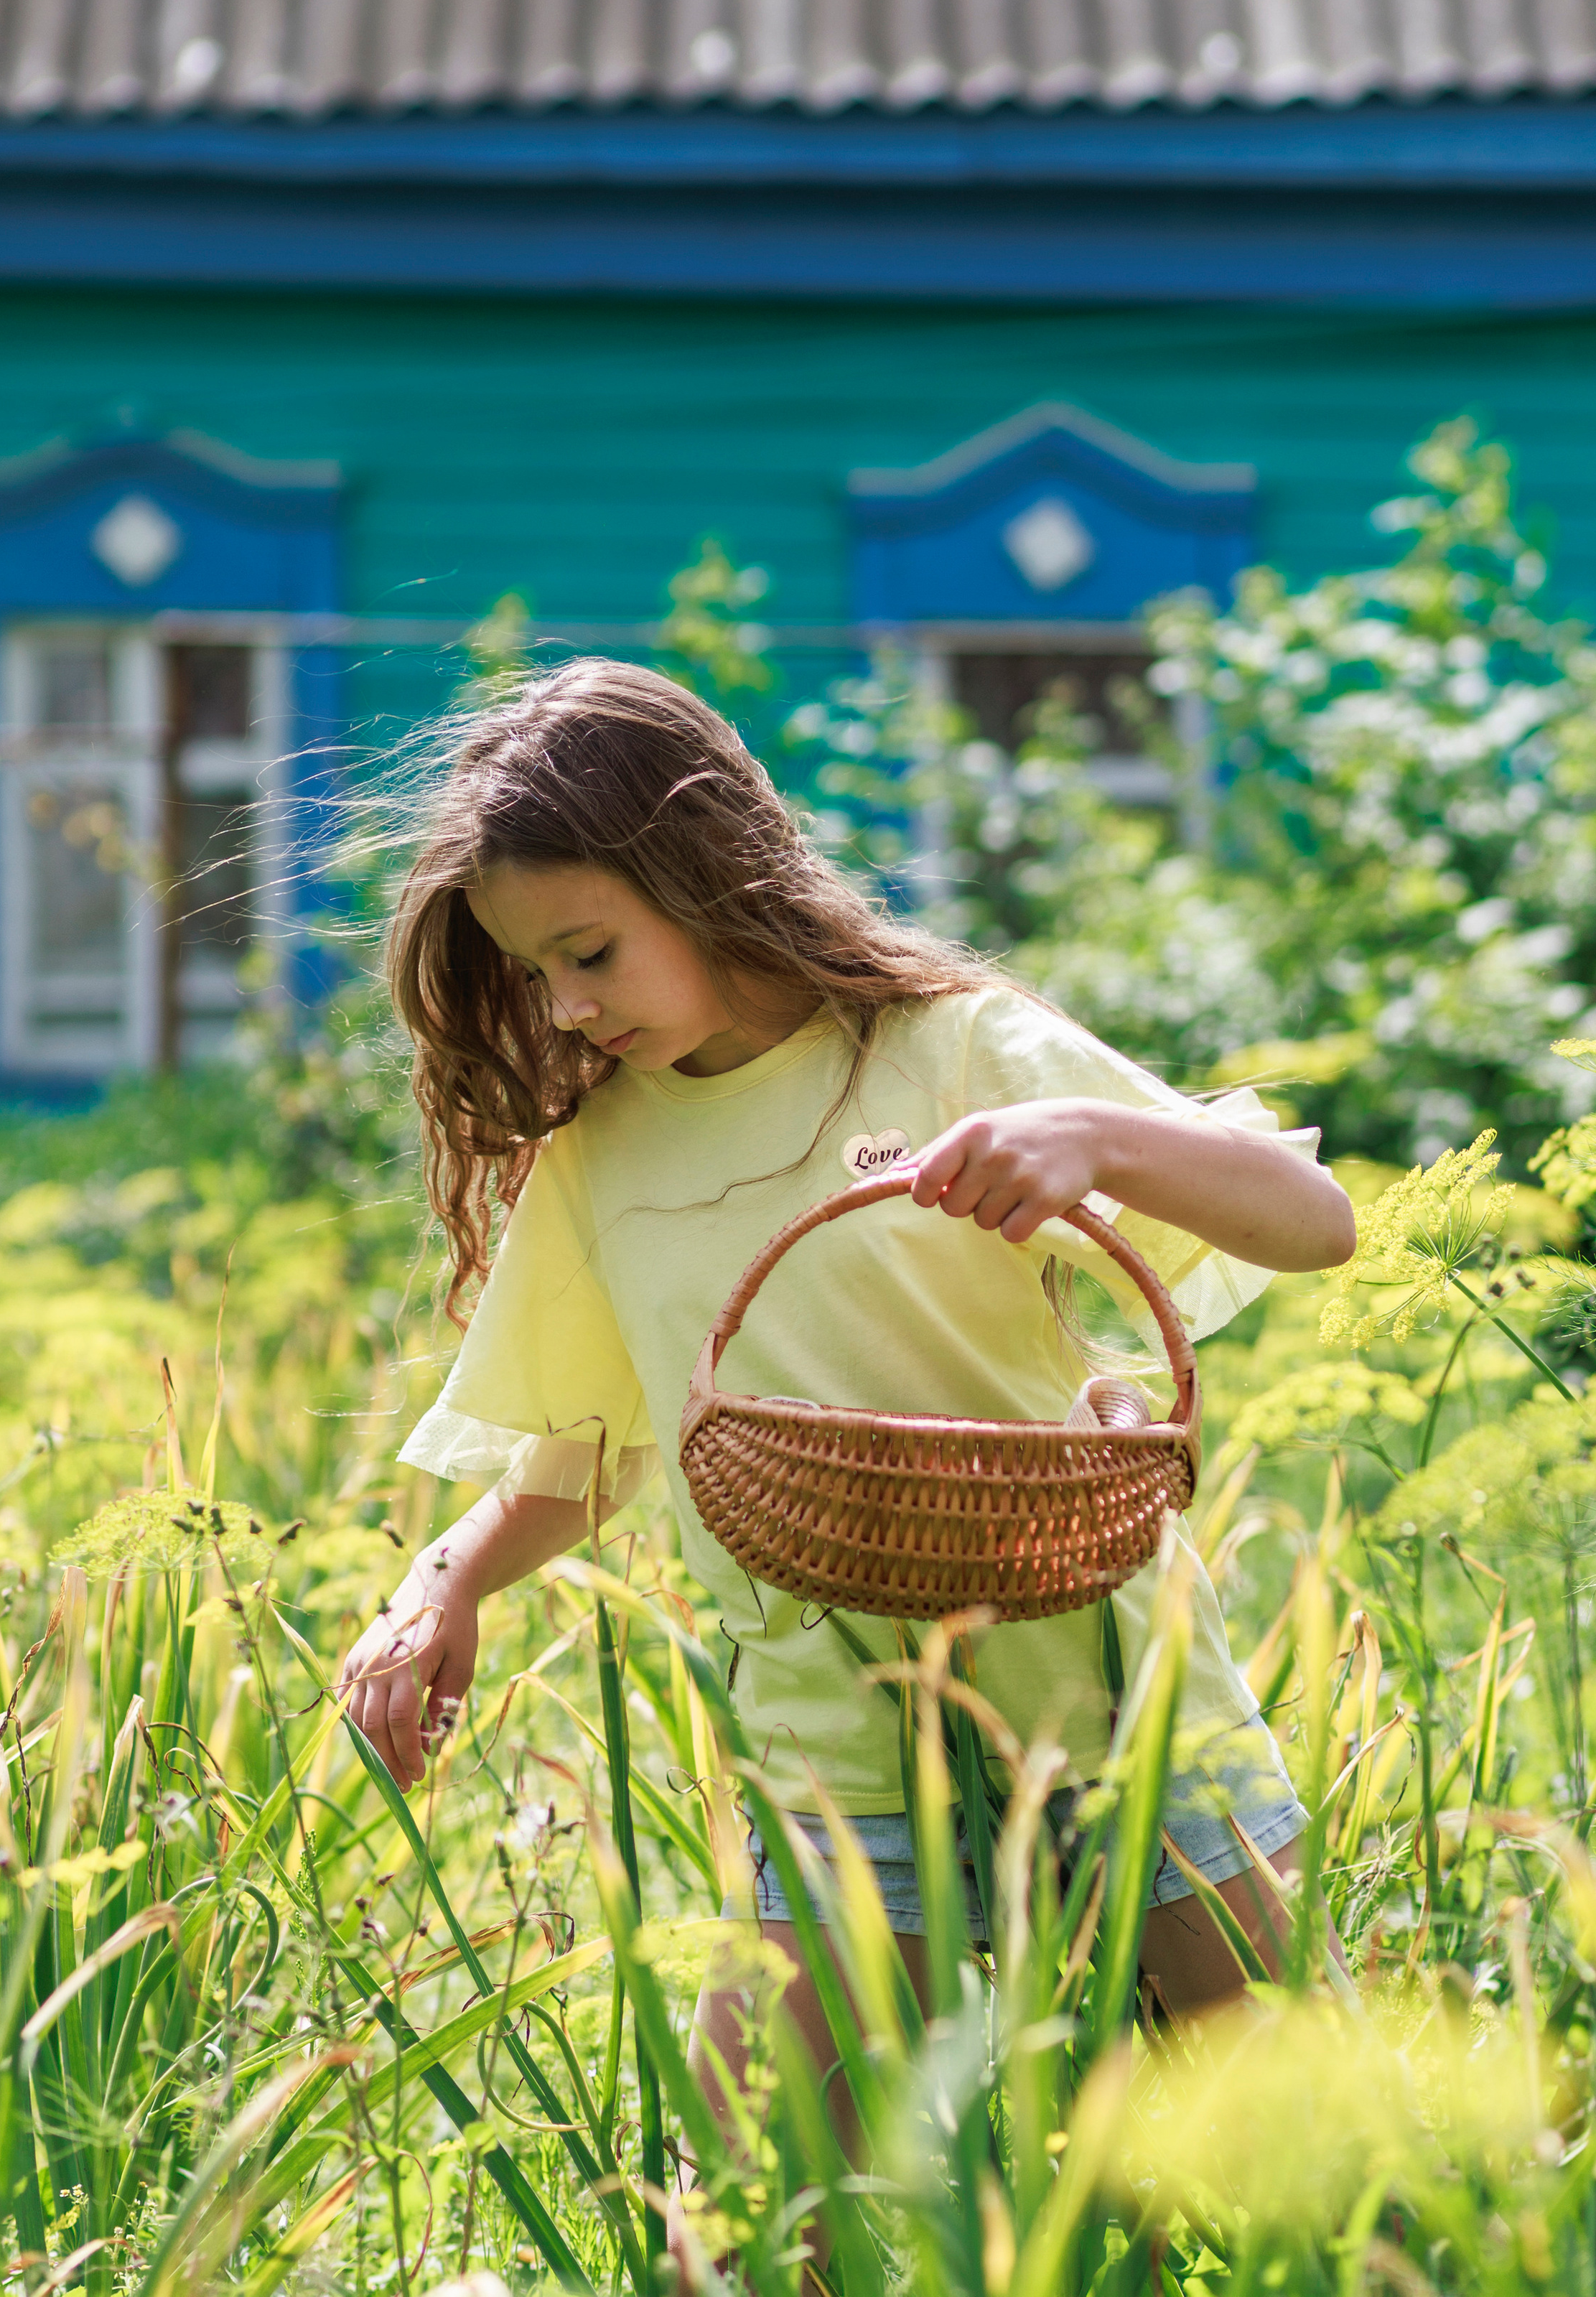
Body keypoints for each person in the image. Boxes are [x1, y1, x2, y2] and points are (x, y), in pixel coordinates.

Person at [340, 659, 1356, 2110]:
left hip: (1112, 1702)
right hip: (838, 1754)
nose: (563, 1009)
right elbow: (590, 1446)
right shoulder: (600, 1158)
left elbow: (1313, 1224)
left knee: (1319, 2152)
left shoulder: (953, 1049)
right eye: (534, 973)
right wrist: (443, 1583)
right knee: (750, 2190)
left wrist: (1096, 1138)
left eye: (590, 952)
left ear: (700, 873)